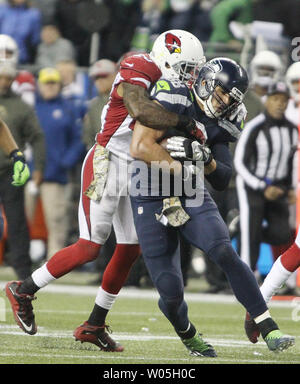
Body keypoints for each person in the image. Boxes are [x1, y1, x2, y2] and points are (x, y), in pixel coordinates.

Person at [5, 30, 207, 351]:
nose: (190, 76)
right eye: (186, 68)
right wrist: (186, 125)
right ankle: (23, 289)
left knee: (130, 249)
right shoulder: (138, 66)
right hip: (107, 162)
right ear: (167, 58)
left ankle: (94, 324)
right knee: (89, 247)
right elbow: (140, 110)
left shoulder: (177, 87)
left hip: (137, 168)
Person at [129, 57, 294, 355]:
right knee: (170, 289)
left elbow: (222, 176)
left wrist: (205, 158)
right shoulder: (174, 94)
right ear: (206, 81)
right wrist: (176, 166)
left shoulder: (225, 118)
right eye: (222, 92)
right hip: (150, 188)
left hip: (189, 188)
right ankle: (188, 333)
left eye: (231, 97)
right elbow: (140, 146)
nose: (225, 101)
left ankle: (267, 325)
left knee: (221, 248)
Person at [234, 81, 297, 276]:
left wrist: (289, 189)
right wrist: (261, 186)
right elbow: (240, 162)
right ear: (267, 100)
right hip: (252, 186)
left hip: (277, 187)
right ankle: (247, 277)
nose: (280, 104)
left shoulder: (291, 130)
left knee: (283, 233)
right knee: (251, 232)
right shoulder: (255, 127)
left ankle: (239, 227)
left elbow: (288, 163)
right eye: (276, 99)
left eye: (284, 100)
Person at [0, 60, 45, 279]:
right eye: (1, 77)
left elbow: (36, 137)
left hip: (8, 170)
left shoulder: (20, 106)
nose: (4, 82)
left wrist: (26, 160)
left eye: (8, 78)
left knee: (16, 220)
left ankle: (22, 268)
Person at [34, 67, 85, 259]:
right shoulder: (33, 107)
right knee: (21, 219)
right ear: (39, 85)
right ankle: (17, 260)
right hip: (29, 172)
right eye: (46, 83)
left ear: (59, 85)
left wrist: (66, 161)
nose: (49, 87)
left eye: (53, 83)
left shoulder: (67, 109)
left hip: (55, 174)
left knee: (57, 219)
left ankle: (54, 262)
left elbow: (78, 139)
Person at [82, 59, 117, 150]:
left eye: (103, 76)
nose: (99, 81)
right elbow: (88, 137)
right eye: (96, 78)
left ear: (115, 76)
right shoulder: (93, 106)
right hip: (101, 156)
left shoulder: (126, 101)